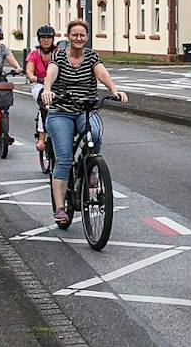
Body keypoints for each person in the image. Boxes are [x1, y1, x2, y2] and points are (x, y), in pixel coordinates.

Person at [40, 20, 128, 226]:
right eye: (75, 35)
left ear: (87, 37)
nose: (78, 38)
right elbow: (51, 73)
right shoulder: (59, 56)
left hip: (84, 110)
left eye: (82, 35)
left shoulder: (91, 56)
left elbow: (102, 73)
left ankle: (88, 168)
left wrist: (114, 90)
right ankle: (60, 208)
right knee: (64, 158)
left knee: (95, 135)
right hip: (61, 112)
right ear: (68, 36)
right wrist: (47, 90)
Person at [26, 24, 58, 150]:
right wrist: (32, 76)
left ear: (52, 39)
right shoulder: (34, 54)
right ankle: (41, 138)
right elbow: (29, 70)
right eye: (43, 38)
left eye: (48, 38)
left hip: (56, 84)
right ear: (39, 39)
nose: (46, 40)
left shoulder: (58, 53)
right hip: (38, 85)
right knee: (44, 103)